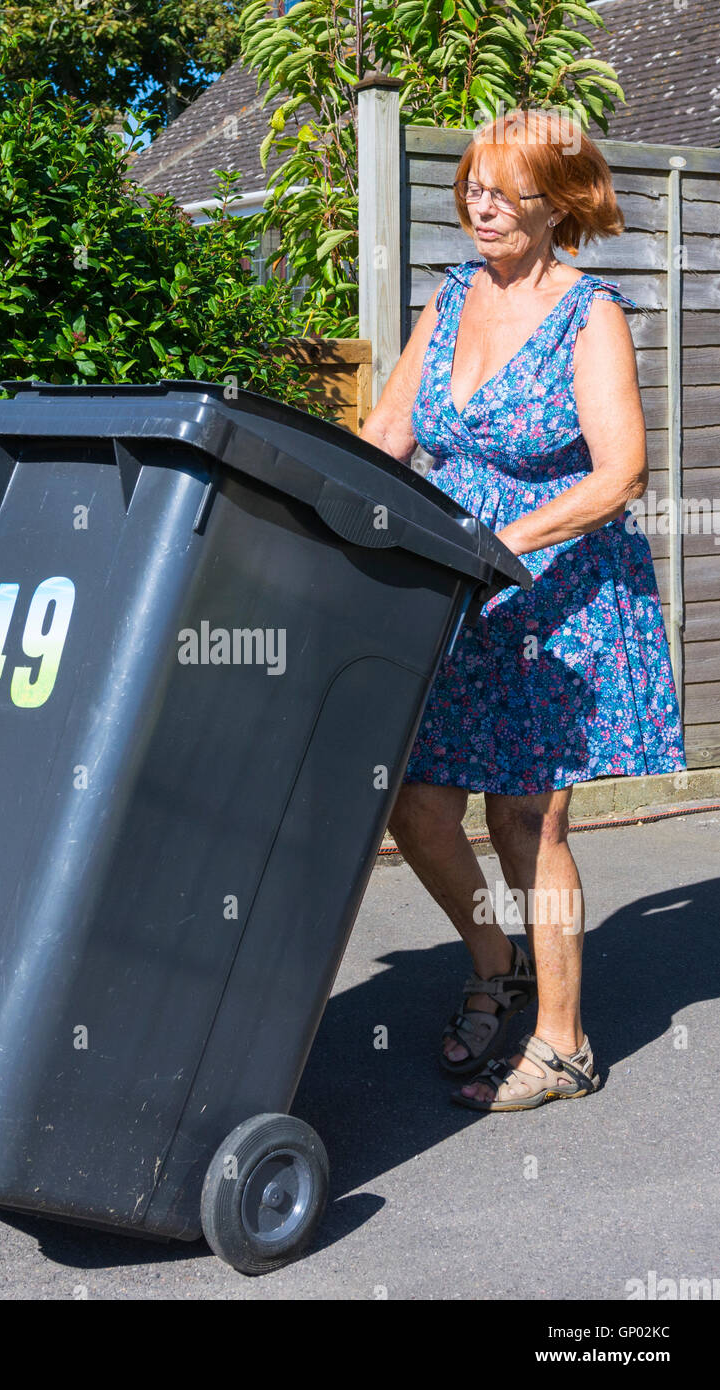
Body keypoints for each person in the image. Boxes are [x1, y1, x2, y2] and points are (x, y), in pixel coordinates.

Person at [359, 109, 686, 1112]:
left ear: (558, 202)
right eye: (471, 185)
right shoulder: (448, 297)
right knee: (414, 804)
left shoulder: (589, 314)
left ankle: (561, 1043)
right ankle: (491, 957)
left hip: (555, 597)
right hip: (455, 590)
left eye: (505, 189)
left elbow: (619, 473)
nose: (480, 204)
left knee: (523, 821)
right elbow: (385, 431)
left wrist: (504, 547)